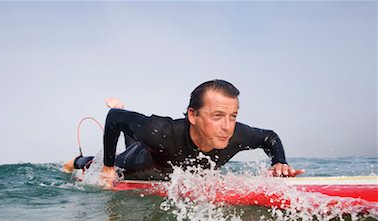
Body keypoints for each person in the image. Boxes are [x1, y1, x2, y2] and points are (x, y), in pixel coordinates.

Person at [64, 79, 304, 187]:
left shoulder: (236, 135)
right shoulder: (161, 131)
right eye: (217, 116)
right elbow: (113, 120)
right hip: (142, 161)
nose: (227, 127)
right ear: (192, 115)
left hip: (158, 155)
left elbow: (269, 137)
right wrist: (106, 169)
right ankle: (72, 162)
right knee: (114, 162)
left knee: (135, 139)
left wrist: (278, 162)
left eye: (233, 116)